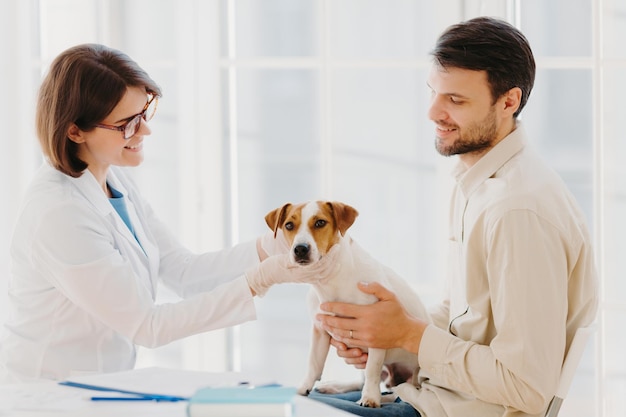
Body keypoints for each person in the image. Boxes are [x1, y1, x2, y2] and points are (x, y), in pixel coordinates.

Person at [309, 16, 598, 417]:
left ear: (508, 102)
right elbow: (467, 320)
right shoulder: (476, 180)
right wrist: (387, 336)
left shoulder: (518, 211)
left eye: (455, 100)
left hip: (452, 410)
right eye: (433, 92)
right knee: (283, 401)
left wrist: (411, 334)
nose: (432, 112)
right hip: (425, 393)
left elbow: (529, 387)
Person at [0, 43, 338, 384]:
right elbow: (148, 326)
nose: (145, 130)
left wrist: (273, 245)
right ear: (75, 131)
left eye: (145, 112)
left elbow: (183, 271)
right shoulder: (59, 213)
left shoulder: (113, 180)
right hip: (48, 394)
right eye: (127, 124)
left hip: (100, 386)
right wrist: (259, 280)